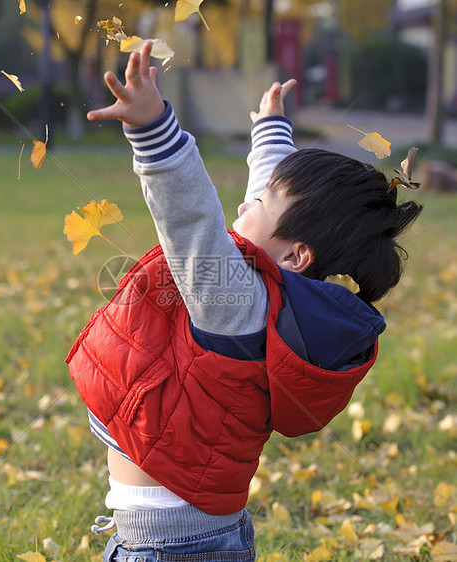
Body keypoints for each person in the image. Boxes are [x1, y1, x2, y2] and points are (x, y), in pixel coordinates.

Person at [65, 41, 422, 561]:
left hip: (169, 548)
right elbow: (271, 207)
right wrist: (272, 132)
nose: (244, 205)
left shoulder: (234, 303)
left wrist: (153, 132)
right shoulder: (272, 299)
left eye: (257, 202)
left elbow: (191, 219)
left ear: (298, 255)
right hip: (195, 536)